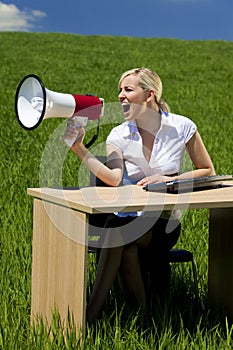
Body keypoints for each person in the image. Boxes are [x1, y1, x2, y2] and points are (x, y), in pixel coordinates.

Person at [63, 67, 215, 322]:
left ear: (149, 94)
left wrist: (169, 180)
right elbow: (113, 178)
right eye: (119, 90)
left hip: (163, 223)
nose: (120, 96)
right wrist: (79, 149)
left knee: (117, 231)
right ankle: (142, 319)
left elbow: (207, 170)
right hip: (126, 219)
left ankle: (89, 316)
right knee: (124, 241)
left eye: (128, 90)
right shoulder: (118, 134)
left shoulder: (182, 126)